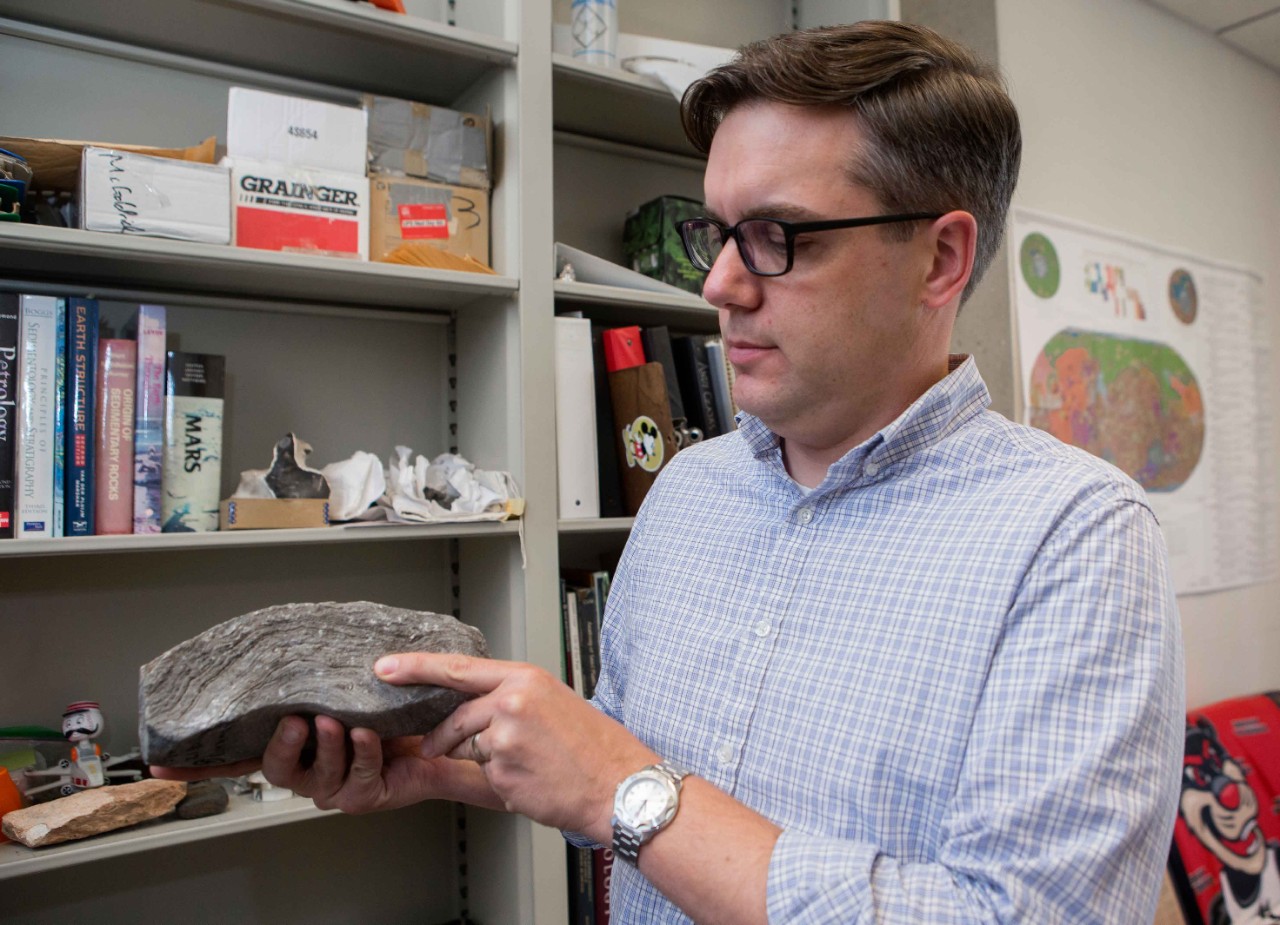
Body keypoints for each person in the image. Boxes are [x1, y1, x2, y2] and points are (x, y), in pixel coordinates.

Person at [155, 20, 1185, 924]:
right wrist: (442, 767)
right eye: (717, 232)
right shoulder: (687, 490)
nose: (718, 283)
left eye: (776, 236)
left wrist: (620, 786)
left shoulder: (1075, 537)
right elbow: (627, 798)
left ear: (940, 259)